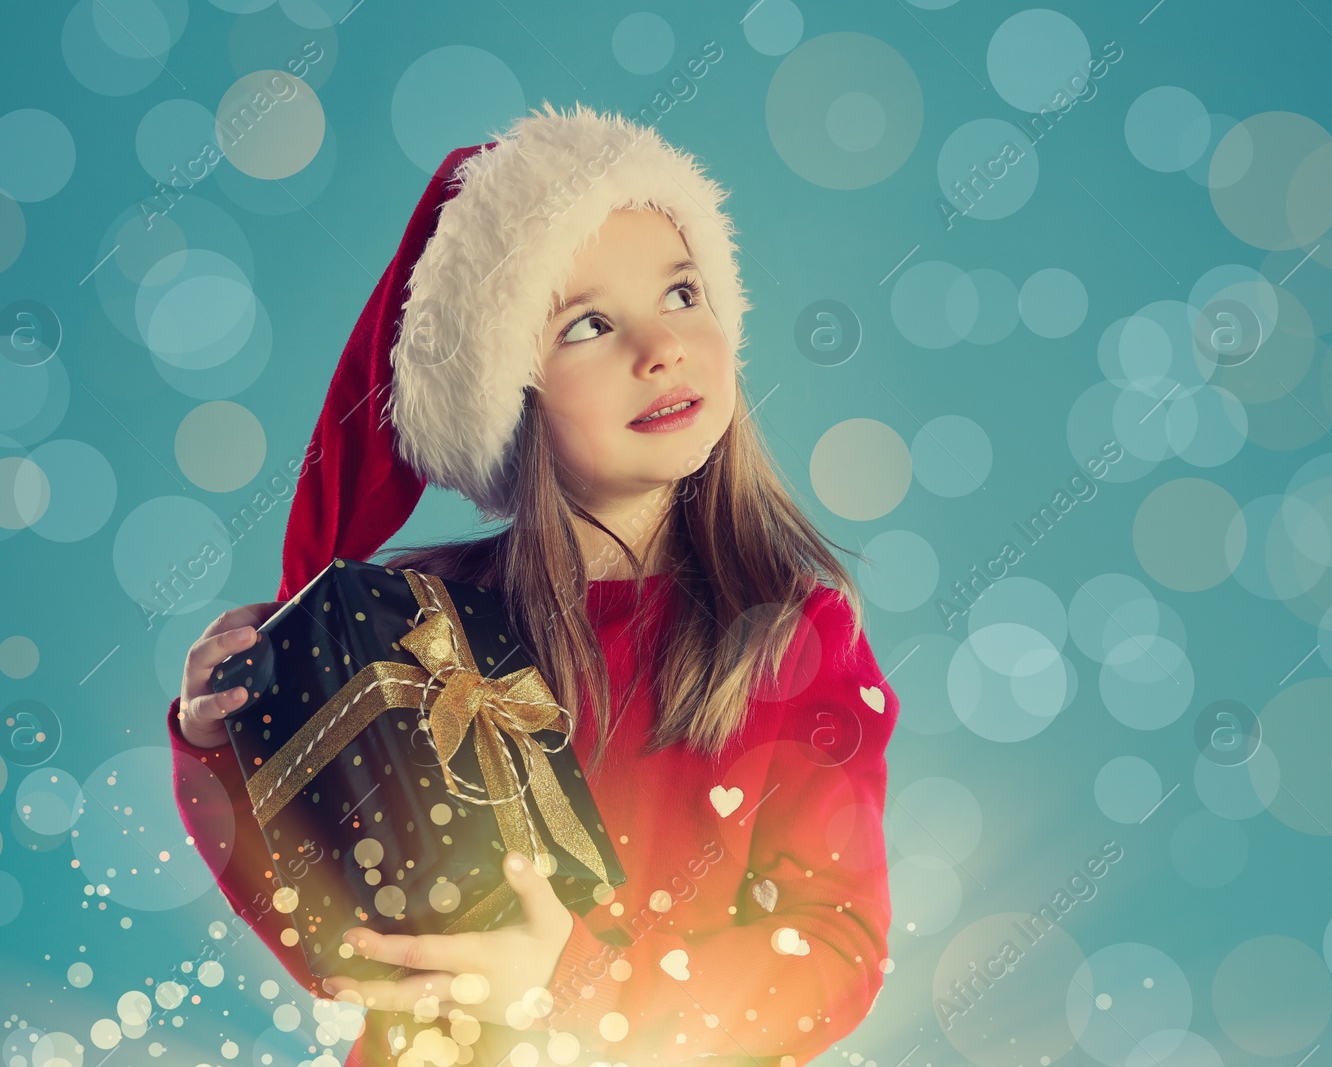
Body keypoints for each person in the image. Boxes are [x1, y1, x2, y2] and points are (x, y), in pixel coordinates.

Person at [167, 102, 901, 1067]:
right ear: (506, 389)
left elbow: (835, 950)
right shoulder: (414, 627)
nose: (661, 346)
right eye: (589, 324)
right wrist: (221, 743)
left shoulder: (793, 633)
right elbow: (333, 935)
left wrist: (574, 983)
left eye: (682, 293)